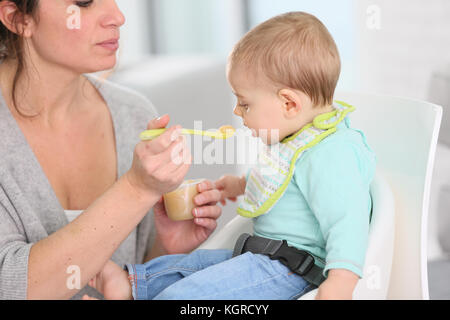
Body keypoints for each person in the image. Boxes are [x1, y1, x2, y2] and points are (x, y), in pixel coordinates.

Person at [85, 12, 377, 300]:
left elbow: (347, 221)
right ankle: (128, 286)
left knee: (193, 293)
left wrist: (341, 281)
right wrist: (238, 185)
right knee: (193, 267)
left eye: (245, 104)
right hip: (261, 258)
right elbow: (279, 178)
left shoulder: (332, 152)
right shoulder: (295, 138)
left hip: (292, 273)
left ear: (289, 103)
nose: (237, 112)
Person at [0, 0, 223, 300]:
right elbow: (11, 286)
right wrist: (136, 189)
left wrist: (164, 248)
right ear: (16, 18)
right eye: (84, 3)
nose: (118, 17)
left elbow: (127, 282)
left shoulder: (132, 114)